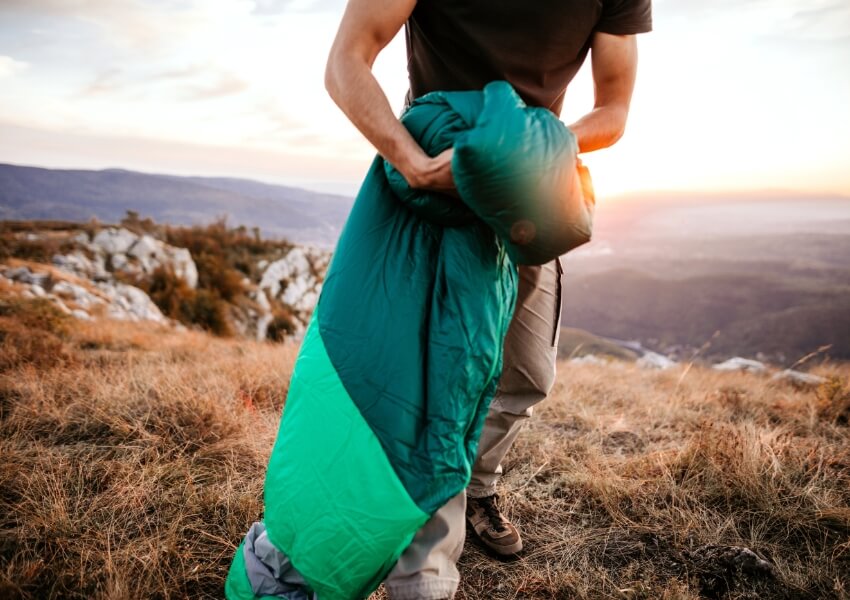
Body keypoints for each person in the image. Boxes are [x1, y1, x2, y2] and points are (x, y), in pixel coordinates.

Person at [324, 1, 652, 598]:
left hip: (529, 186)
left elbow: (614, 108)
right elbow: (347, 60)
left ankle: (478, 485)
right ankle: (422, 566)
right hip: (433, 171)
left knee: (528, 372)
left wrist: (520, 148)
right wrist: (417, 166)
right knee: (438, 382)